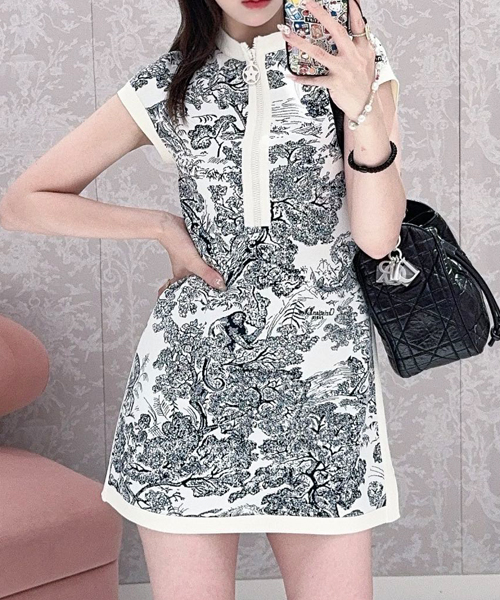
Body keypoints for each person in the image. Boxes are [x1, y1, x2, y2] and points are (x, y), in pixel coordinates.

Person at [0, 0, 406, 598]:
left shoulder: (352, 64)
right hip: (187, 391)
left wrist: (361, 104)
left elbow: (377, 237)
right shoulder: (171, 81)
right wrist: (161, 226)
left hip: (323, 389)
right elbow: (24, 201)